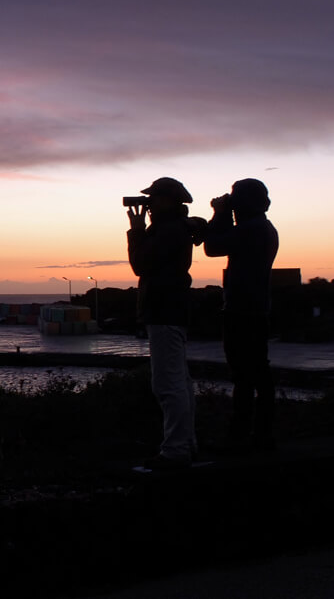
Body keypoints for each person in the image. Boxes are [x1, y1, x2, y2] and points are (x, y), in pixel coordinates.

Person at [126, 177, 205, 470]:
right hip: (170, 310)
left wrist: (136, 233)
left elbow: (141, 264)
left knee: (167, 384)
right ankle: (186, 444)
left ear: (167, 200)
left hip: (164, 311)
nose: (148, 203)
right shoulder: (175, 227)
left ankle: (175, 451)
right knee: (179, 382)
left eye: (153, 198)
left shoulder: (170, 229)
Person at [203, 178, 279, 452]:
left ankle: (245, 435)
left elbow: (211, 247)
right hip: (255, 308)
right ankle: (259, 433)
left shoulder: (252, 229)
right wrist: (225, 213)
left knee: (246, 376)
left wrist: (219, 213)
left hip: (243, 311)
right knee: (257, 373)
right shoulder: (262, 228)